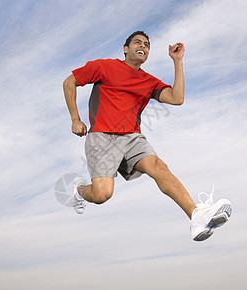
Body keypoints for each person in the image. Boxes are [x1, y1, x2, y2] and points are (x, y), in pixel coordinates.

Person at [62, 31, 232, 241]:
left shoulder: (148, 81)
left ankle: (196, 216)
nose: (142, 46)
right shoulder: (103, 66)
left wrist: (177, 61)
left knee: (158, 166)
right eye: (137, 42)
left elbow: (176, 98)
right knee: (102, 195)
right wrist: (75, 119)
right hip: (102, 136)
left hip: (132, 138)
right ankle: (79, 191)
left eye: (147, 45)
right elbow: (69, 82)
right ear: (125, 49)